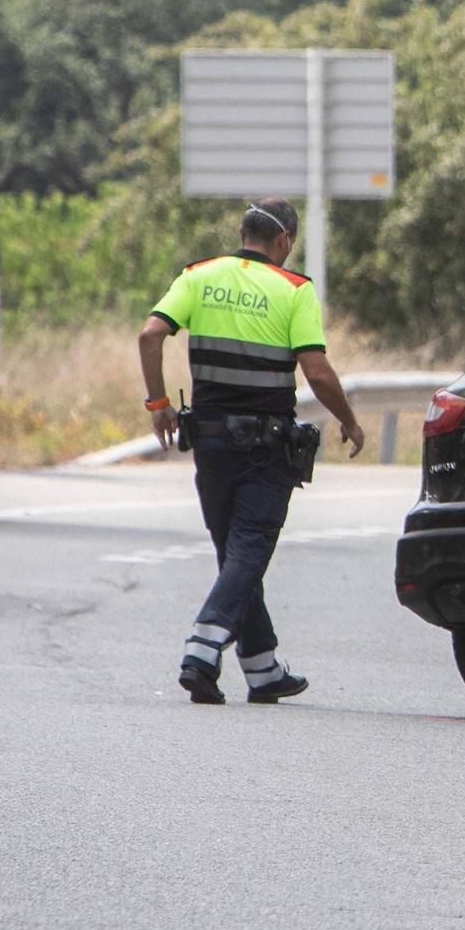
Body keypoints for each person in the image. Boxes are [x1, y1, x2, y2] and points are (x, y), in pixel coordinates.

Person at [137, 196, 366, 705]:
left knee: (234, 554)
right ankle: (203, 647)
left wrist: (158, 402)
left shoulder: (198, 275)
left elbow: (151, 334)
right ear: (283, 240)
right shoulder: (294, 289)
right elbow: (317, 369)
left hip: (211, 442)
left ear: (244, 233)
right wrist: (348, 420)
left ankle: (262, 669)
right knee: (249, 550)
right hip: (266, 446)